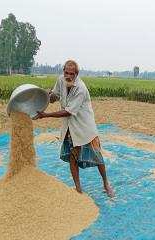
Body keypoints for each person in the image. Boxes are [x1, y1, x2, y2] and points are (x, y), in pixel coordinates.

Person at [33, 60, 115, 197]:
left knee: (97, 156)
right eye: (66, 73)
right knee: (72, 157)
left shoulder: (80, 88)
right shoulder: (61, 80)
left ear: (76, 74)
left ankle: (106, 184)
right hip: (69, 127)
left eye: (72, 74)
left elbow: (68, 111)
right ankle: (78, 189)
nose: (68, 76)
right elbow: (55, 96)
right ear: (63, 72)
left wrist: (45, 115)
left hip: (84, 126)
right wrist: (48, 96)